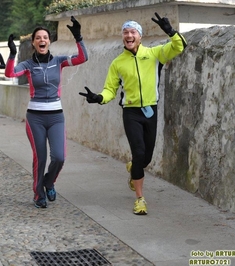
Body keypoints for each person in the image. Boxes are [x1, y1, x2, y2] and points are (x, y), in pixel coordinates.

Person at [79, 13, 187, 215]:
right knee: (138, 153)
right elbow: (110, 89)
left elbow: (180, 46)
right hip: (131, 113)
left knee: (145, 159)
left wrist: (170, 31)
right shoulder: (118, 63)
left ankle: (134, 168)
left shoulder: (155, 54)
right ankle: (140, 199)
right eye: (125, 32)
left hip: (150, 111)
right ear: (122, 37)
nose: (129, 35)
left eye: (133, 32)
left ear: (140, 36)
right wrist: (99, 98)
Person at [5, 16, 88, 208]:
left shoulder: (59, 61)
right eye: (38, 38)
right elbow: (10, 74)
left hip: (56, 116)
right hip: (35, 118)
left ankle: (49, 182)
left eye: (45, 37)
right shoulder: (28, 65)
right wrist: (11, 55)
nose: (42, 40)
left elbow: (83, 58)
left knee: (59, 157)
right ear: (33, 43)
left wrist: (79, 37)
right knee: (40, 157)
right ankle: (38, 194)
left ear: (49, 41)